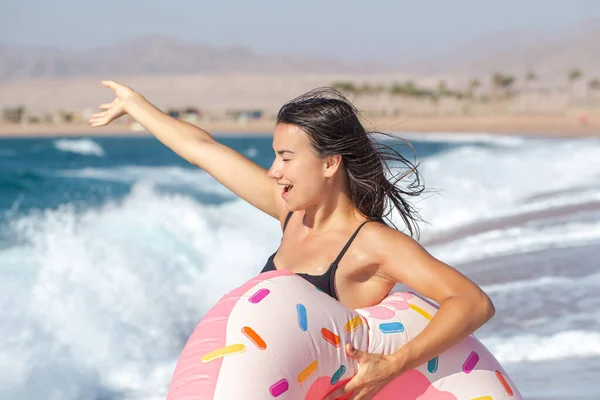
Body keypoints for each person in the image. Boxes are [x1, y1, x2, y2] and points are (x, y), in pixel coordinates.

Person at [90, 81, 495, 400]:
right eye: (274, 155)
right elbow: (203, 150)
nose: (273, 171)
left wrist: (392, 365)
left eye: (286, 157)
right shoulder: (291, 214)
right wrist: (137, 106)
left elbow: (472, 302)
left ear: (330, 163)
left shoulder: (372, 244)